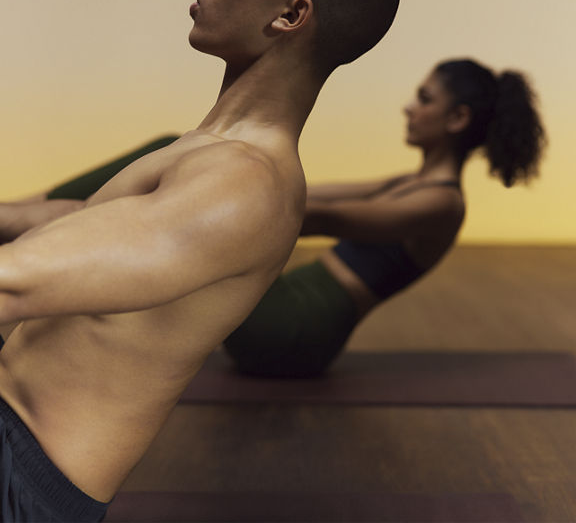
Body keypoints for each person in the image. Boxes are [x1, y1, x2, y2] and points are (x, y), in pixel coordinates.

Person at [0, 0, 400, 521]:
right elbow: (64, 224)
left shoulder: (243, 183)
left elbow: (16, 283)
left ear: (291, 15)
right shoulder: (206, 155)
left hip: (21, 475)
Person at [2, 59, 546, 381]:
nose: (409, 107)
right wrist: (211, 176)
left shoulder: (441, 203)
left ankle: (17, 219)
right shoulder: (409, 181)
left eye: (423, 99)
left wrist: (208, 194)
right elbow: (309, 189)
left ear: (456, 118)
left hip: (295, 336)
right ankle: (21, 215)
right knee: (178, 162)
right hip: (286, 311)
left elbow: (317, 214)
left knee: (179, 183)